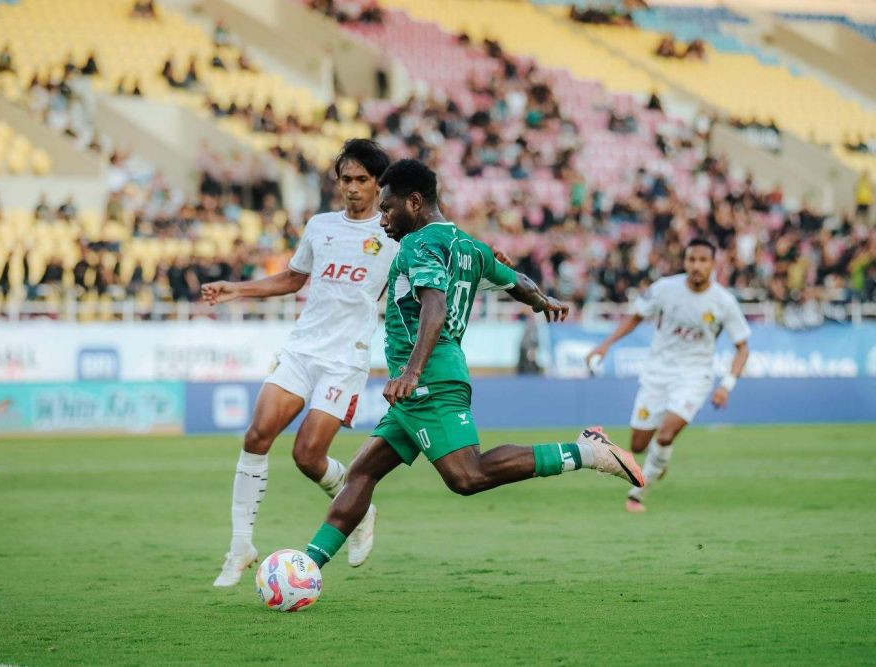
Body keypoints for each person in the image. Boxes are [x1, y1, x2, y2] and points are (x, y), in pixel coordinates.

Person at [300, 160, 644, 571]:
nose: (382, 218)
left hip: (427, 378)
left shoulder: (419, 244)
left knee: (468, 476)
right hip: (421, 386)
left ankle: (587, 452)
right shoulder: (471, 247)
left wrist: (411, 372)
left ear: (415, 201)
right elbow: (519, 282)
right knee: (360, 473)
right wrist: (542, 301)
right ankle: (304, 568)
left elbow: (435, 305)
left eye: (388, 208)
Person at [201, 139, 396, 586]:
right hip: (302, 349)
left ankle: (360, 506)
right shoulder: (321, 226)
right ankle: (240, 545)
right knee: (256, 434)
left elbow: (434, 270)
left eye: (361, 180)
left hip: (346, 360)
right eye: (345, 179)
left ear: (378, 184)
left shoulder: (393, 237)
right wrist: (237, 288)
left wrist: (491, 271)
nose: (351, 188)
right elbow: (293, 278)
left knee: (308, 455)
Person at [585, 239, 750, 513]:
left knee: (665, 434)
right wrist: (606, 344)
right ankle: (659, 462)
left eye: (702, 260)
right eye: (691, 259)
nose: (696, 265)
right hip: (657, 374)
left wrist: (727, 385)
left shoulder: (724, 302)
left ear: (713, 264)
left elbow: (742, 347)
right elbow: (636, 316)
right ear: (684, 262)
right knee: (638, 445)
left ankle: (637, 493)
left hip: (695, 376)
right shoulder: (664, 289)